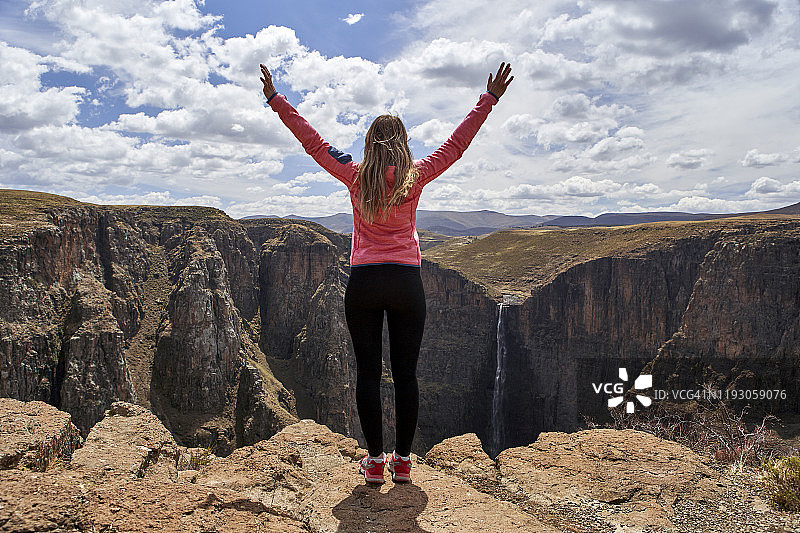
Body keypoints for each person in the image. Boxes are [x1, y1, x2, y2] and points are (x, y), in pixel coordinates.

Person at [260, 61, 513, 484]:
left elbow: (313, 143)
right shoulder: (415, 178)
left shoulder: (355, 177)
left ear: (370, 145)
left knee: (367, 374)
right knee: (406, 374)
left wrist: (275, 99)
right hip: (405, 282)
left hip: (364, 282)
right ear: (403, 145)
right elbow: (456, 145)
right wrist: (488, 100)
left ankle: (374, 462)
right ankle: (403, 462)